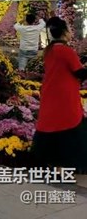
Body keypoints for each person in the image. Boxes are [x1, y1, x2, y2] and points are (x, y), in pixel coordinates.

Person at [32, 17, 87, 171]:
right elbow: (80, 73)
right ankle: (62, 169)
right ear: (64, 32)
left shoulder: (49, 50)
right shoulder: (66, 51)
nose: (71, 32)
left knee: (53, 127)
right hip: (64, 97)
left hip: (51, 94)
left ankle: (54, 166)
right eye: (69, 29)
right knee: (69, 129)